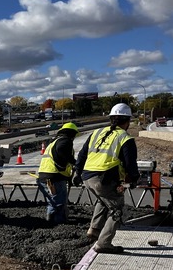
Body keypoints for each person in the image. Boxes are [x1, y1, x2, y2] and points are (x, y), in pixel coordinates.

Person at [73, 103, 139, 254]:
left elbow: (82, 155)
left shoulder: (96, 133)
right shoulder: (125, 138)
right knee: (118, 210)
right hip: (104, 179)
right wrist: (134, 179)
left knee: (103, 200)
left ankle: (94, 230)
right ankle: (103, 243)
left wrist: (77, 172)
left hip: (87, 177)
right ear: (127, 121)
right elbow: (130, 164)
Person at [37, 122, 79, 223]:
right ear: (72, 134)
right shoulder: (65, 141)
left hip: (44, 176)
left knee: (53, 202)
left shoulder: (53, 142)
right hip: (55, 177)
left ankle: (50, 222)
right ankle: (60, 224)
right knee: (59, 202)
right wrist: (72, 163)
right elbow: (61, 151)